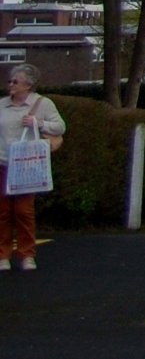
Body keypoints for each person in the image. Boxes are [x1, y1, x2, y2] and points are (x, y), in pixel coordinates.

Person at [2, 63, 65, 270]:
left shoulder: (42, 103)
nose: (10, 85)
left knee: (23, 211)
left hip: (26, 165)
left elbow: (60, 127)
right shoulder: (2, 105)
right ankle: (3, 255)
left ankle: (27, 254)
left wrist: (39, 123)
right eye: (10, 81)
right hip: (2, 163)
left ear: (28, 85)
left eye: (15, 82)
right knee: (3, 212)